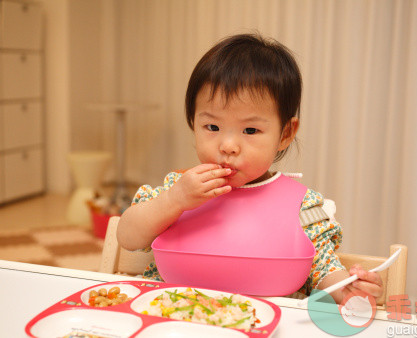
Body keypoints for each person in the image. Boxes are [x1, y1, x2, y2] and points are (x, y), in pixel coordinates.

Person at [117, 33, 382, 303]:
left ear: (285, 133)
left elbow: (323, 268)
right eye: (212, 127)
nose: (228, 145)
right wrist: (173, 200)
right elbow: (127, 236)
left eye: (251, 130)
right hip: (175, 317)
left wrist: (346, 288)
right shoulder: (178, 189)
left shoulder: (302, 207)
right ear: (193, 123)